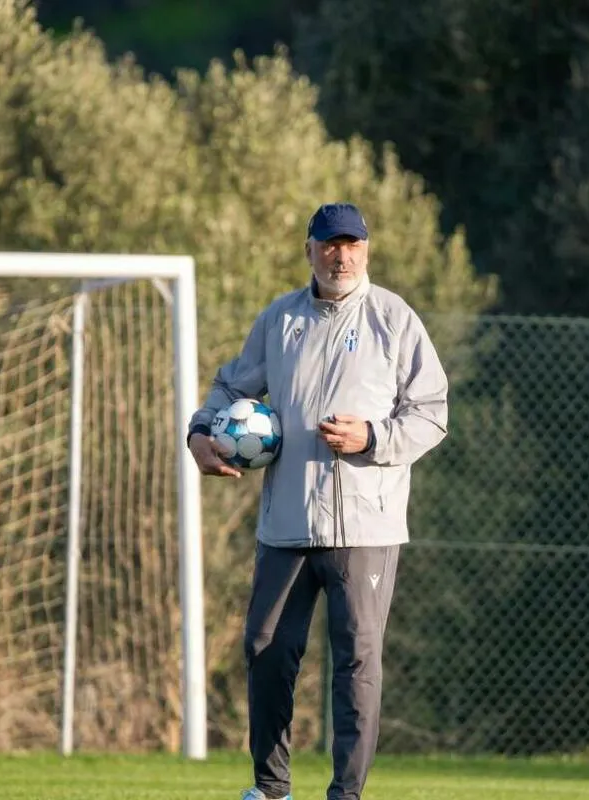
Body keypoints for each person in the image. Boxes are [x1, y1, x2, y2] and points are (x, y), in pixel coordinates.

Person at [186, 202, 449, 800]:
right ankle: (270, 788)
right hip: (287, 523)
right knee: (266, 649)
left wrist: (373, 439)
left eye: (352, 244)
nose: (341, 255)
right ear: (309, 250)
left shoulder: (394, 318)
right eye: (330, 244)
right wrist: (201, 432)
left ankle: (346, 794)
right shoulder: (280, 320)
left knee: (356, 665)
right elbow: (231, 385)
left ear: (367, 250)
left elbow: (432, 413)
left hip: (367, 526)